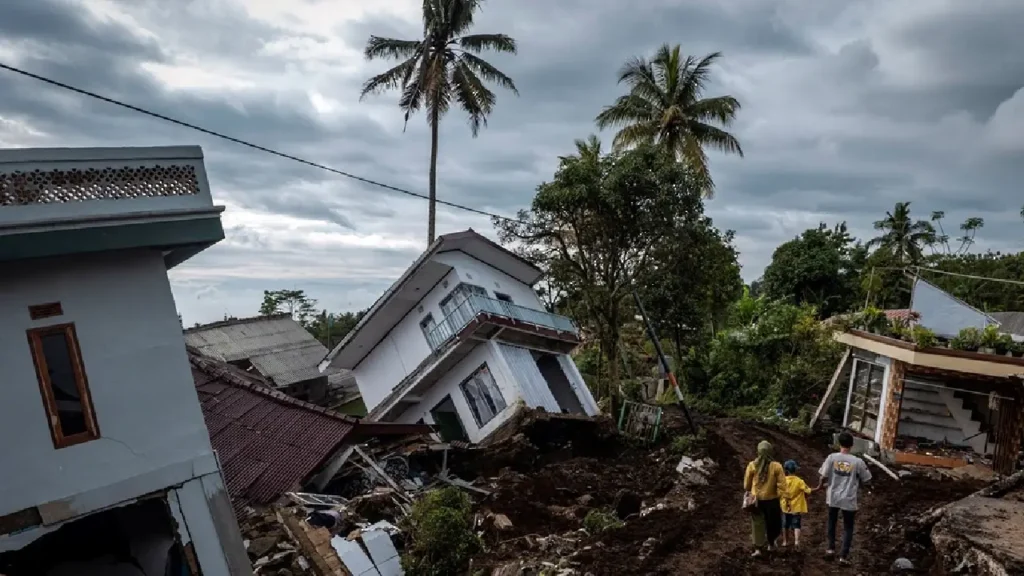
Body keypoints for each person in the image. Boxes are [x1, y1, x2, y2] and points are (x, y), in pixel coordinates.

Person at [817, 431, 872, 565]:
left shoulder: (831, 458)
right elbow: (867, 479)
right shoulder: (858, 461)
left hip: (833, 496)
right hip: (849, 498)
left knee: (832, 521)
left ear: (838, 443)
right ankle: (843, 556)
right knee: (848, 527)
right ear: (852, 445)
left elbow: (823, 475)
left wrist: (820, 486)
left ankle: (830, 549)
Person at [743, 440, 787, 557]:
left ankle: (758, 549)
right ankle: (771, 544)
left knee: (757, 523)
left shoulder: (752, 465)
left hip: (755, 501)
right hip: (772, 500)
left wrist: (751, 491)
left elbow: (746, 485)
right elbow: (782, 486)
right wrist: (779, 496)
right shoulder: (776, 466)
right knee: (773, 523)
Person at [779, 459, 813, 548]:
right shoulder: (799, 481)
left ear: (786, 470)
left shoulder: (782, 481)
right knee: (796, 525)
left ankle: (785, 541)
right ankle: (797, 541)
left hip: (785, 506)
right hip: (796, 507)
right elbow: (808, 490)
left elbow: (778, 492)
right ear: (795, 470)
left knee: (785, 524)